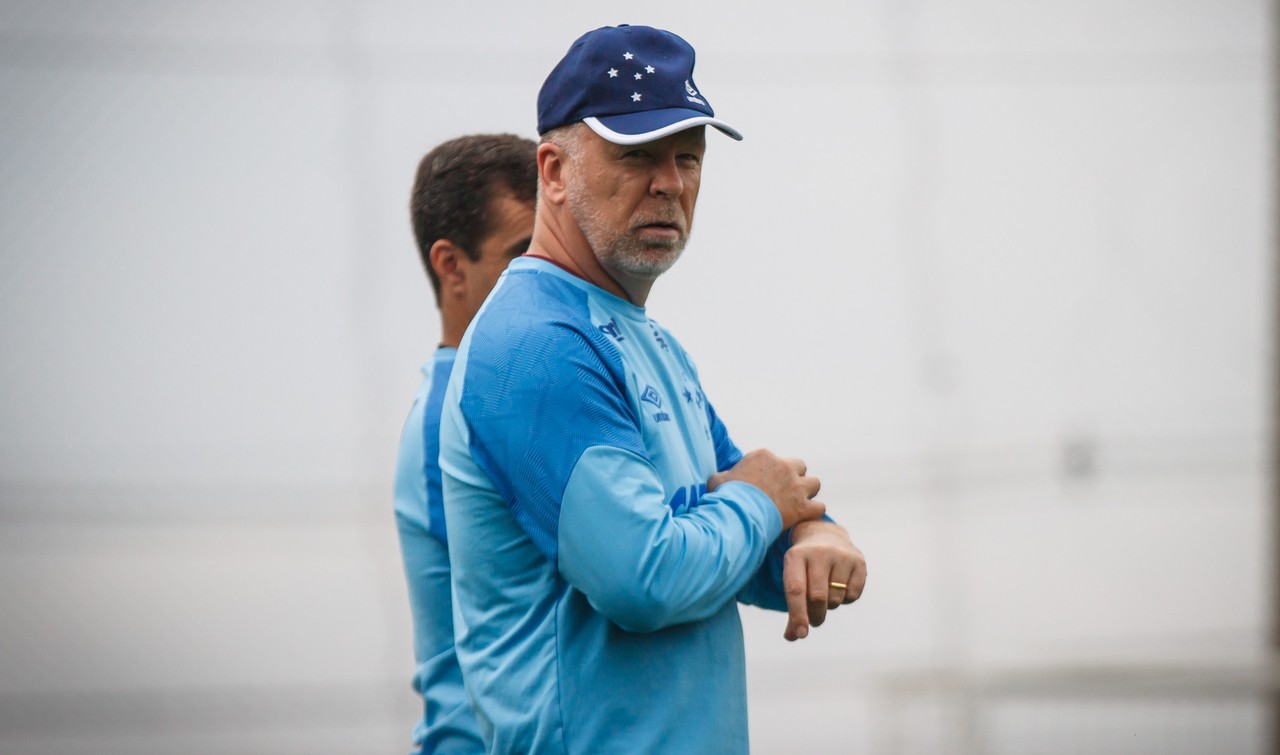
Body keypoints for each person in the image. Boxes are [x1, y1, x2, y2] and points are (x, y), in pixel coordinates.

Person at [439, 25, 867, 753]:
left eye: (687, 158)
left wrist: (815, 534)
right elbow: (646, 576)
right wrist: (766, 503)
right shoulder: (535, 342)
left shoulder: (646, 339)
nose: (670, 181)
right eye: (636, 154)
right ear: (553, 172)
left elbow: (747, 527)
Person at [393, 133, 537, 754]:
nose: (549, 277)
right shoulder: (458, 416)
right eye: (523, 255)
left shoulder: (515, 390)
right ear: (452, 266)